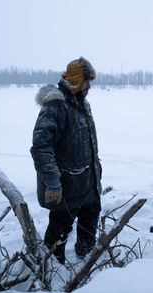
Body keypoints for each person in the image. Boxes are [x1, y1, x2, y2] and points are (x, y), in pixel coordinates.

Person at [30, 57, 102, 264]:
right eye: (87, 81)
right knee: (57, 237)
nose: (89, 86)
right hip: (66, 187)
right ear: (77, 79)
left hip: (89, 183)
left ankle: (86, 262)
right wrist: (52, 183)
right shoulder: (56, 105)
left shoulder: (83, 104)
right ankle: (51, 270)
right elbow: (41, 147)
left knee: (89, 231)